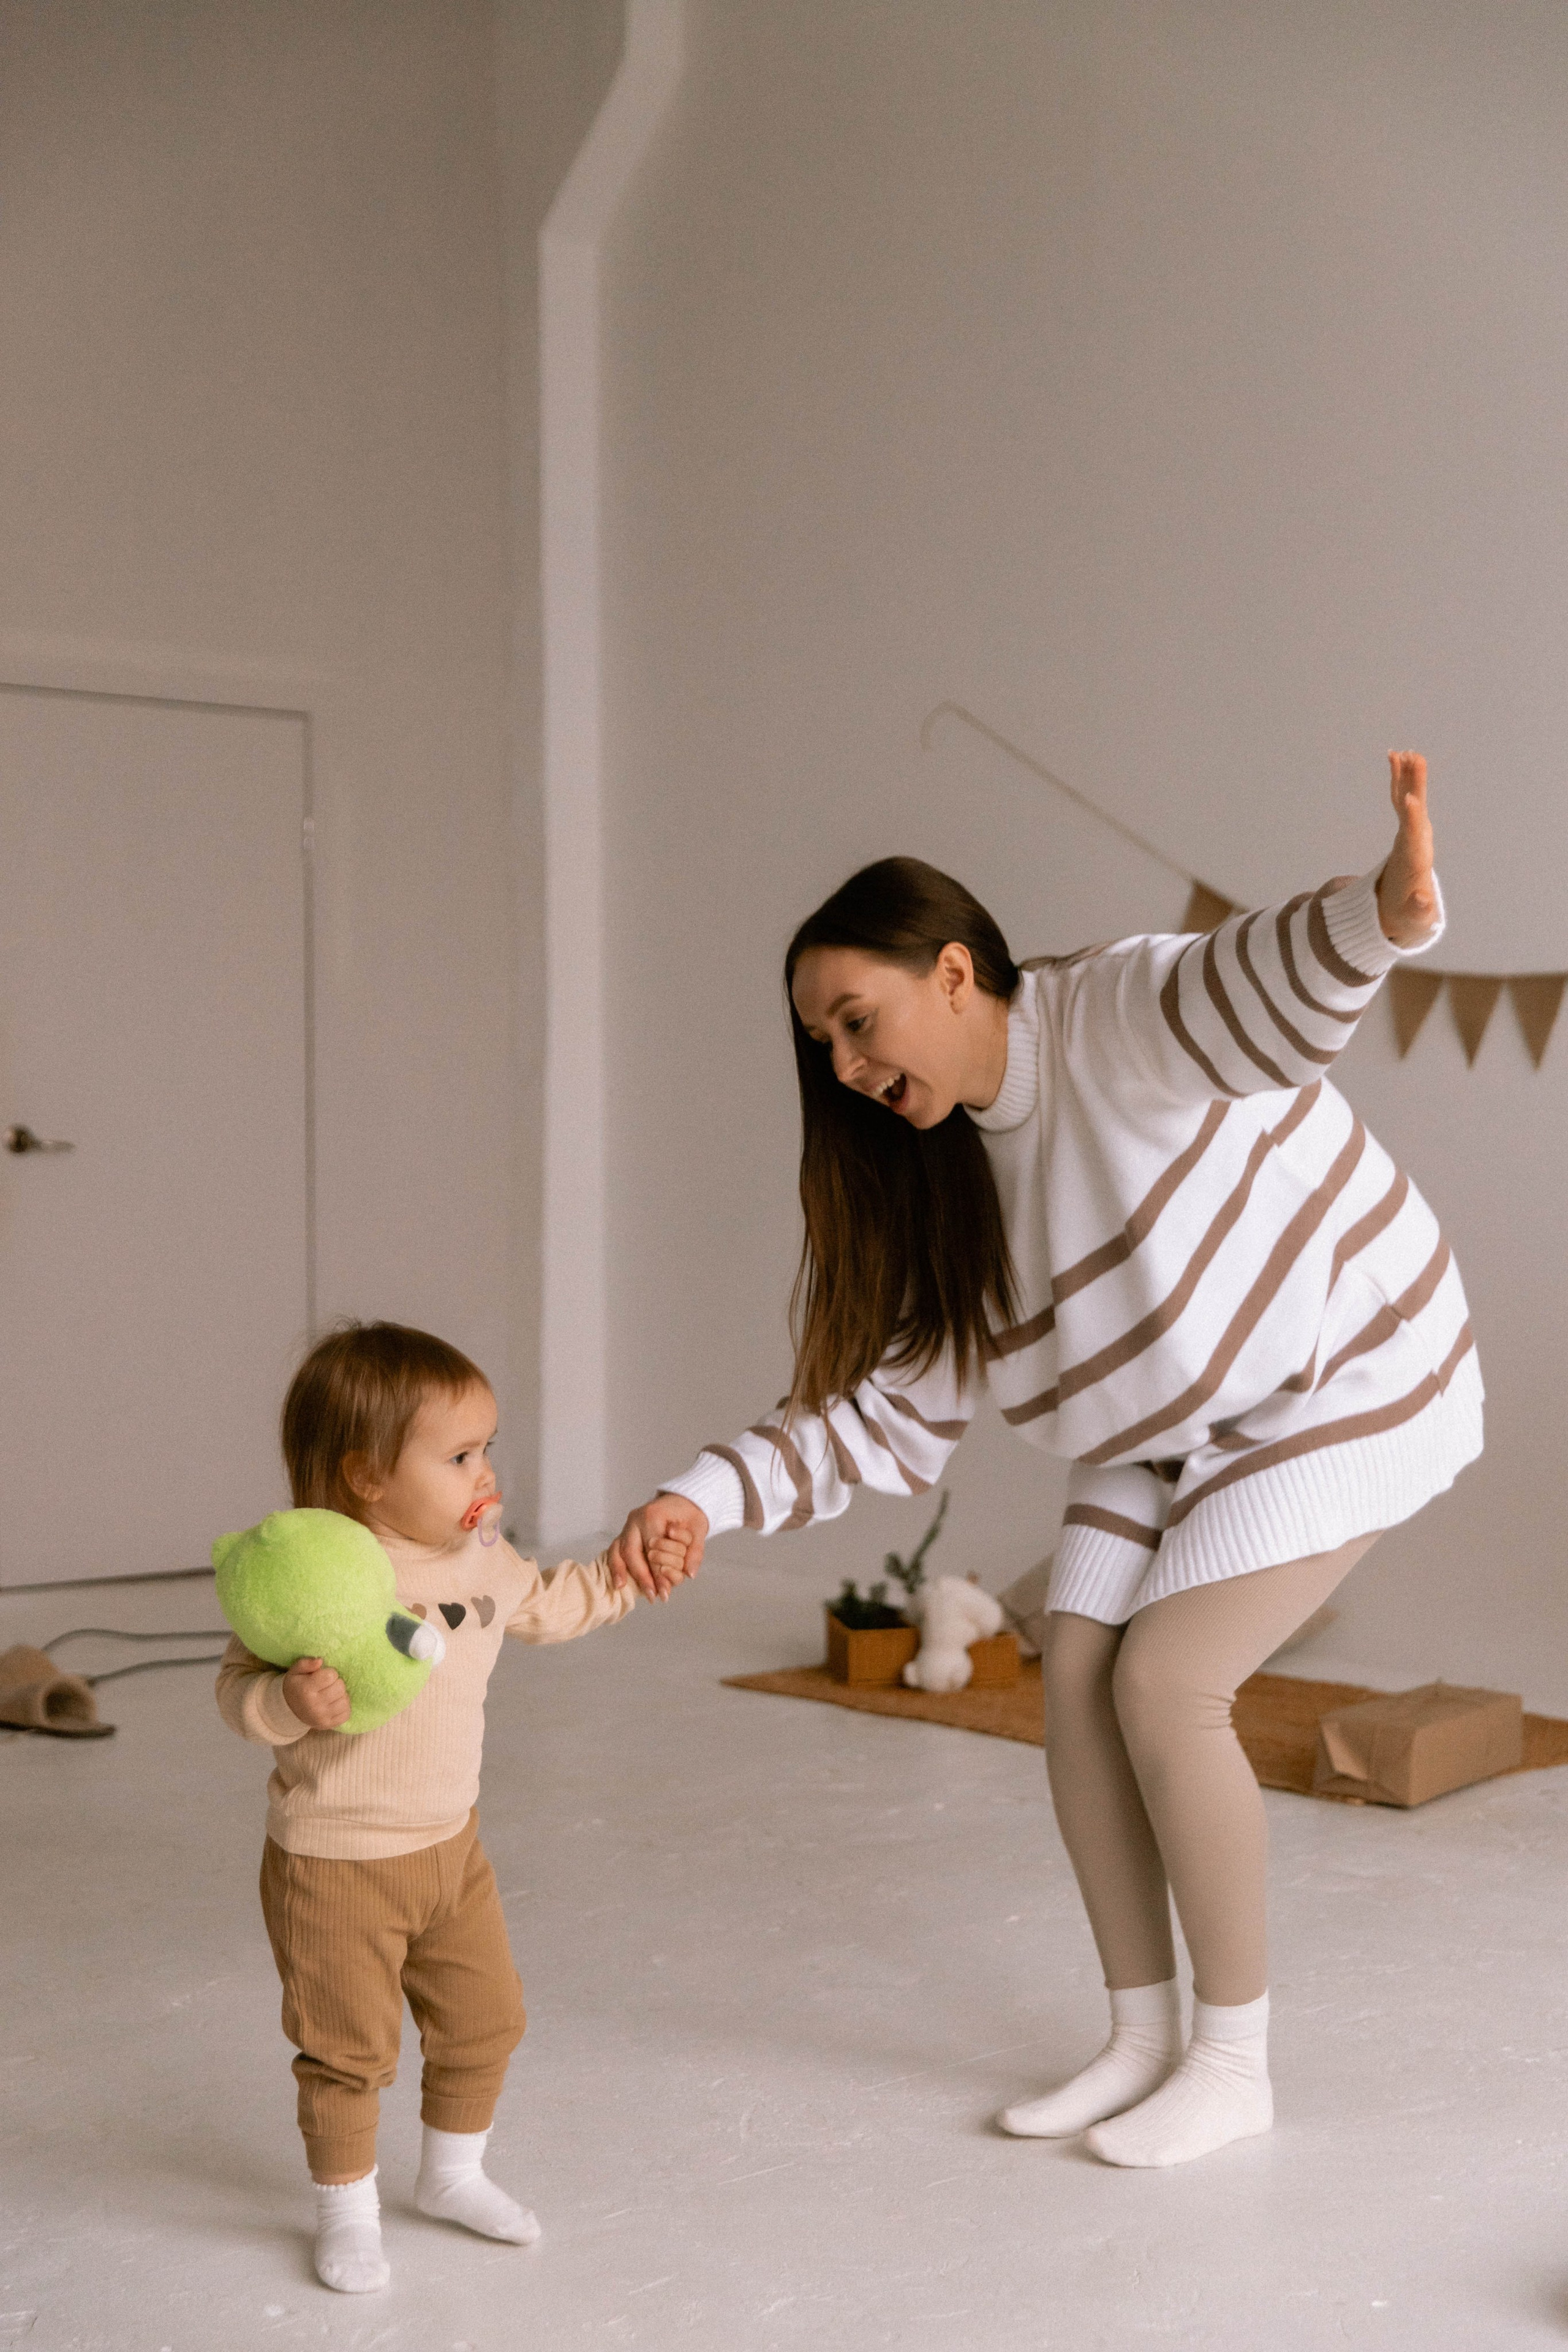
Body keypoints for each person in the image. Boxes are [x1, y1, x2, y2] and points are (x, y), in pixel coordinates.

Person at [611, 753, 1480, 2169]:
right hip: (1159, 1416)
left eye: (857, 1018)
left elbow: (1252, 984)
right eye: (820, 1044)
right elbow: (879, 1410)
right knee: (1071, 1684)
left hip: (1340, 1364)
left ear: (954, 973)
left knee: (1166, 1681)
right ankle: (1140, 2037)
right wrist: (694, 1497)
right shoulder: (941, 1176)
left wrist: (1381, 912)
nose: (842, 1065)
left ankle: (1232, 2062)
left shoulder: (1109, 1015)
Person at [217, 1321, 684, 2293]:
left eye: (488, 1448)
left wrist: (632, 1577)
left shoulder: (481, 1560)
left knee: (487, 2018)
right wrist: (287, 1702)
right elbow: (235, 1693)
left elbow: (557, 1602)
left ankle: (452, 2175)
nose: (485, 1473)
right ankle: (347, 2210)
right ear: (366, 1476)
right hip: (335, 1864)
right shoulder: (316, 1578)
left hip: (450, 1847)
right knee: (348, 2051)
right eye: (460, 1454)